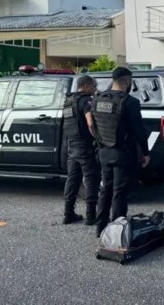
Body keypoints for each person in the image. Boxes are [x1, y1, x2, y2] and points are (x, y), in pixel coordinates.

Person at [89, 66, 150, 237]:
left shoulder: (98, 99)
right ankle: (116, 233)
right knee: (119, 193)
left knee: (105, 190)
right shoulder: (130, 102)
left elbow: (93, 125)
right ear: (127, 81)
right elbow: (139, 131)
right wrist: (145, 153)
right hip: (123, 153)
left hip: (104, 151)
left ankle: (100, 228)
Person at [62, 74, 100, 225]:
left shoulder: (68, 101)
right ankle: (91, 216)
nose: (95, 89)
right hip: (85, 146)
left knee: (72, 181)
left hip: (72, 147)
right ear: (86, 85)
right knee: (91, 181)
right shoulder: (86, 100)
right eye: (94, 86)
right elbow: (90, 123)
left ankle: (68, 214)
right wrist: (98, 137)